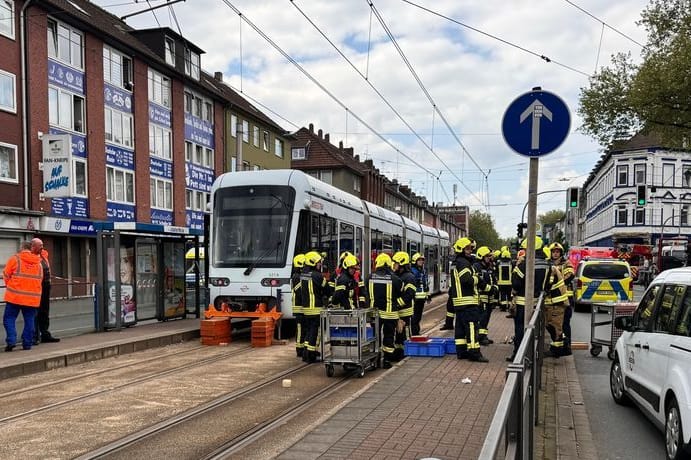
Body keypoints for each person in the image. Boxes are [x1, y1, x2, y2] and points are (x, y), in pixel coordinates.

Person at [508, 236, 562, 361]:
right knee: (534, 331)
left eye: (526, 249)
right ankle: (532, 355)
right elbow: (549, 282)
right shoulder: (547, 264)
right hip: (538, 303)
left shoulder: (526, 264)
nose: (525, 252)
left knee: (520, 329)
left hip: (523, 303)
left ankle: (518, 355)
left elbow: (516, 283)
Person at [449, 237, 489, 362]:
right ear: (461, 249)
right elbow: (466, 279)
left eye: (471, 248)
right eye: (467, 248)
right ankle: (474, 353)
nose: (470, 251)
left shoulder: (457, 262)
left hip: (459, 301)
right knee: (472, 326)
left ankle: (461, 352)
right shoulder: (464, 263)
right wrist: (477, 278)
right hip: (468, 301)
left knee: (460, 328)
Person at [3, 241, 43, 351]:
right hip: (32, 298)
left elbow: (6, 275)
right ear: (31, 249)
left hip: (14, 296)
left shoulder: (15, 259)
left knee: (9, 319)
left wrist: (10, 286)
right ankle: (27, 344)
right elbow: (40, 280)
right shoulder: (38, 263)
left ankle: (11, 340)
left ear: (21, 248)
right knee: (29, 320)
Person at [366, 253, 402, 369]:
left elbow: (366, 292)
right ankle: (386, 360)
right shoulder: (395, 279)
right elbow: (398, 294)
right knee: (389, 336)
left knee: (375, 337)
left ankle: (374, 362)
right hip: (390, 314)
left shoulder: (369, 277)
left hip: (374, 314)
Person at [299, 251, 331, 363]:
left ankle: (305, 353)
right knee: (315, 332)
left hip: (306, 309)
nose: (319, 265)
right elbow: (327, 289)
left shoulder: (303, 274)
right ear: (313, 263)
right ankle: (311, 355)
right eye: (318, 263)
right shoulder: (317, 276)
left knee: (308, 331)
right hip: (316, 308)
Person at [31, 238, 60, 344]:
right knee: (34, 312)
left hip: (46, 287)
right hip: (36, 288)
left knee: (44, 311)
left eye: (42, 245)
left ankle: (45, 334)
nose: (42, 247)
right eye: (40, 245)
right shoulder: (31, 257)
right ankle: (34, 335)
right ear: (33, 246)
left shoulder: (43, 256)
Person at [550, 242, 574, 355]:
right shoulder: (549, 263)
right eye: (553, 252)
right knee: (556, 324)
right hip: (555, 299)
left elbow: (570, 275)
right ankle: (558, 345)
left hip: (566, 298)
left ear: (561, 253)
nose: (555, 254)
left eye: (557, 252)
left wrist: (559, 283)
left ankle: (567, 347)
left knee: (565, 323)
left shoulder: (566, 263)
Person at [392, 251, 416, 360]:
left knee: (404, 333)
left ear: (401, 264)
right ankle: (398, 352)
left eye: (396, 263)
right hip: (397, 311)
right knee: (398, 333)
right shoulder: (397, 275)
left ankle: (406, 352)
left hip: (405, 311)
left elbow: (409, 295)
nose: (394, 265)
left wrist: (397, 304)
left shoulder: (409, 277)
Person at [474, 246, 498, 346]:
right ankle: (480, 337)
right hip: (481, 297)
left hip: (489, 298)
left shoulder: (489, 267)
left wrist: (496, 288)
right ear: (481, 256)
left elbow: (494, 279)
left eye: (489, 256)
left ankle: (484, 336)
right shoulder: (477, 267)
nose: (489, 258)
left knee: (486, 317)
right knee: (482, 318)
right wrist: (490, 288)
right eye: (487, 256)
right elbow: (480, 282)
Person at [410, 252, 430, 336]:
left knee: (418, 317)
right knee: (415, 317)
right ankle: (415, 333)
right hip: (415, 298)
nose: (421, 262)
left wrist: (427, 295)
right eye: (419, 260)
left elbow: (425, 284)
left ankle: (416, 332)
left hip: (421, 299)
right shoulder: (412, 271)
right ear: (415, 261)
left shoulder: (423, 270)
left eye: (422, 260)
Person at [291, 254, 306, 358]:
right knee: (300, 329)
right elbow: (300, 291)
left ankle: (302, 347)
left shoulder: (298, 276)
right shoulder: (296, 277)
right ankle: (299, 349)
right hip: (298, 307)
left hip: (300, 307)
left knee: (302, 329)